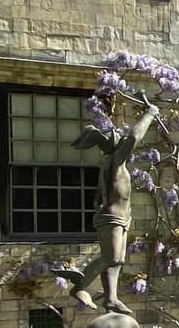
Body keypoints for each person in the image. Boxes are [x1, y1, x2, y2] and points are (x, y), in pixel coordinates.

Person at [56, 101, 161, 313]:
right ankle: (80, 285)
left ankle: (111, 299)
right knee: (110, 257)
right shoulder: (115, 161)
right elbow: (133, 137)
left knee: (118, 260)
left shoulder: (110, 164)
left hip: (120, 216)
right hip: (112, 216)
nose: (124, 145)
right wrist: (150, 113)